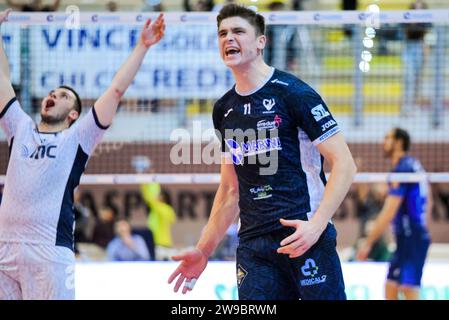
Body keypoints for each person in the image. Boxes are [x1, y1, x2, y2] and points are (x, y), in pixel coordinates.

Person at [168, 4, 357, 299]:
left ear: (260, 42)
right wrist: (204, 250)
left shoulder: (294, 93)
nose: (228, 38)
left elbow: (344, 164)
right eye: (222, 33)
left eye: (238, 31)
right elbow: (231, 189)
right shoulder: (224, 109)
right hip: (254, 246)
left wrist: (317, 225)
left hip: (303, 232)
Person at [0, 9, 165, 300]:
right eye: (52, 92)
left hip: (48, 251)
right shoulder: (20, 127)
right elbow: (2, 80)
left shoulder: (77, 137)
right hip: (5, 250)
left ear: (74, 114)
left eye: (63, 96)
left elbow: (115, 90)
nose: (53, 95)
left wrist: (143, 46)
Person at [357, 128, 431, 300]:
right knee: (390, 286)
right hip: (409, 236)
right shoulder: (412, 165)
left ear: (398, 142)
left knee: (407, 288)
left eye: (388, 138)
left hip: (412, 236)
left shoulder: (403, 170)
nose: (383, 142)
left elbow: (389, 212)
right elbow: (428, 199)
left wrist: (368, 242)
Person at [402, 0, 430, 116]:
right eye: (416, 8)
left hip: (420, 48)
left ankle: (414, 106)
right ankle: (405, 107)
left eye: (420, 9)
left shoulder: (425, 21)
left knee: (418, 81)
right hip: (409, 49)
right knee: (409, 79)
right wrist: (412, 23)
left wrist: (426, 54)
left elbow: (425, 36)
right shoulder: (406, 19)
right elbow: (404, 33)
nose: (418, 10)